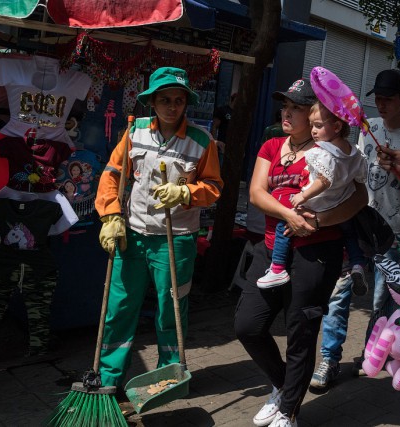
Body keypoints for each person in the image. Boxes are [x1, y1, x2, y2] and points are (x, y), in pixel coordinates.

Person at [234, 78, 367, 427]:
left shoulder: (331, 150)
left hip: (315, 253)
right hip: (271, 248)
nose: (287, 112)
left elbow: (359, 199)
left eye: (296, 107)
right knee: (248, 325)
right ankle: (283, 385)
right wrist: (290, 215)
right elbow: (257, 193)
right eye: (285, 105)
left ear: (315, 114)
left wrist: (320, 220)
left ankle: (289, 410)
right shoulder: (272, 145)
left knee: (301, 333)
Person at [94, 67, 223, 389]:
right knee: (119, 308)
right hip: (132, 235)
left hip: (176, 240)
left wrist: (187, 192)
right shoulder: (133, 131)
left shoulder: (201, 140)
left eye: (179, 100)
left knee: (171, 310)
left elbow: (214, 187)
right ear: (152, 101)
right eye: (164, 99)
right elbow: (112, 174)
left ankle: (170, 377)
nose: (172, 106)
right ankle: (108, 378)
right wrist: (110, 217)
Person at [309, 69, 400, 390]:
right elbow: (355, 171)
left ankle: (371, 353)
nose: (381, 104)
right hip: (357, 224)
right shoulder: (368, 128)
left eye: (388, 98)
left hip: (394, 232)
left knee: (382, 300)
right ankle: (329, 358)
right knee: (340, 294)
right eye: (377, 98)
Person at [256, 101, 368, 291]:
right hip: (340, 203)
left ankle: (277, 268)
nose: (313, 130)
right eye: (312, 124)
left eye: (317, 125)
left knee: (284, 228)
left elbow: (324, 181)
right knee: (350, 234)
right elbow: (360, 177)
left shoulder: (323, 152)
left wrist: (303, 196)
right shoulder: (354, 152)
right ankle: (357, 263)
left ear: (336, 127)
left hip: (318, 205)